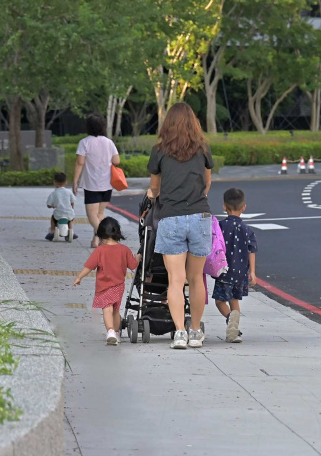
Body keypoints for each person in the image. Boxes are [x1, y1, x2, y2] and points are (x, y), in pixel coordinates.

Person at [147, 102, 214, 350]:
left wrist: (159, 196)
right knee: (196, 278)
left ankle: (179, 333)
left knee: (176, 280)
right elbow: (207, 184)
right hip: (199, 216)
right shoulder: (202, 148)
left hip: (171, 217)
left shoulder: (159, 150)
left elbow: (155, 188)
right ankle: (195, 330)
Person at [73, 217, 139, 345]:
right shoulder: (124, 250)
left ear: (102, 235)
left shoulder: (100, 250)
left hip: (104, 286)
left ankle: (110, 332)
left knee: (107, 309)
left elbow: (89, 267)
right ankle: (117, 332)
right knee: (115, 311)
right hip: (119, 287)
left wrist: (79, 277)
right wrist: (138, 257)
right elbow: (133, 266)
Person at [213, 188, 257, 343]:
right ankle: (235, 332)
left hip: (224, 271)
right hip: (241, 273)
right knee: (234, 301)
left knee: (220, 301)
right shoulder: (247, 230)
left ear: (224, 207)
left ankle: (231, 319)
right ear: (244, 207)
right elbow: (252, 251)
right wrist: (252, 272)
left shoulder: (220, 226)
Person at [73, 115, 120, 248]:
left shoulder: (85, 142)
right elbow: (116, 161)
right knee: (100, 214)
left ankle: (106, 236)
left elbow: (79, 163)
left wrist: (75, 181)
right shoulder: (108, 142)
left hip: (92, 183)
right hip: (107, 183)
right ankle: (96, 241)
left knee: (92, 215)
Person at [45, 172, 78, 241]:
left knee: (53, 218)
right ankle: (71, 230)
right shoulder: (69, 192)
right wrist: (72, 208)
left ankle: (52, 230)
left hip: (59, 214)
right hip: (69, 213)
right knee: (70, 220)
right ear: (66, 182)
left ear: (54, 182)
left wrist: (52, 206)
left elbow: (49, 205)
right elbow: (72, 202)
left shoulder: (54, 193)